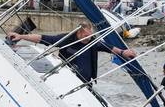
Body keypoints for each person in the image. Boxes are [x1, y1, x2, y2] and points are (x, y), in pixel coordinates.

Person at [7, 24, 137, 83]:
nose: (88, 38)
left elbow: (109, 48)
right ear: (79, 33)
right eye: (86, 35)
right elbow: (43, 38)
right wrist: (21, 36)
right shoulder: (67, 39)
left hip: (86, 82)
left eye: (90, 35)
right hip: (68, 79)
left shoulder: (93, 42)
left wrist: (123, 52)